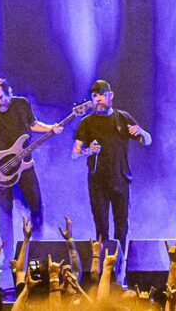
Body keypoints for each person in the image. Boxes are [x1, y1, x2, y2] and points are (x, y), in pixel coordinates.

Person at [0, 76, 63, 266]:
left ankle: (36, 250)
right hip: (1, 168)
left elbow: (32, 125)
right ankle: (8, 257)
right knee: (5, 213)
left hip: (25, 166)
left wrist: (50, 128)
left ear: (9, 92)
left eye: (1, 97)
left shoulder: (21, 104)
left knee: (36, 207)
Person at [71, 79, 151, 250]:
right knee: (101, 227)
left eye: (101, 95)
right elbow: (75, 153)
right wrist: (88, 151)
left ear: (111, 95)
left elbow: (147, 141)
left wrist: (142, 132)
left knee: (121, 225)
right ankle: (102, 261)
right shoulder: (86, 123)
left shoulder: (122, 118)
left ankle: (120, 261)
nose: (98, 99)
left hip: (120, 178)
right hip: (97, 182)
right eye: (94, 96)